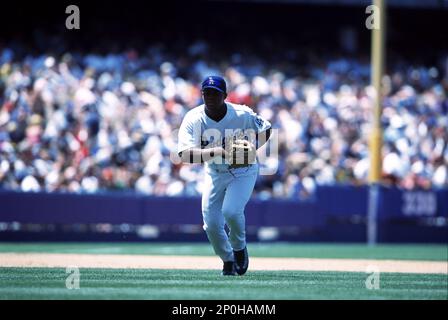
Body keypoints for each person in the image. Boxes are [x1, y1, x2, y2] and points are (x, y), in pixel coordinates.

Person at [177, 76, 272, 276]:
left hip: (242, 170)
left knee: (231, 211)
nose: (210, 96)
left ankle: (239, 248)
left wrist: (254, 148)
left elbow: (266, 128)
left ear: (225, 96)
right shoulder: (194, 118)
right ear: (202, 95)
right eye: (207, 93)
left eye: (215, 93)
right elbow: (184, 154)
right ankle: (227, 259)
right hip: (215, 172)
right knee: (210, 225)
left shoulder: (241, 113)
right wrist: (219, 151)